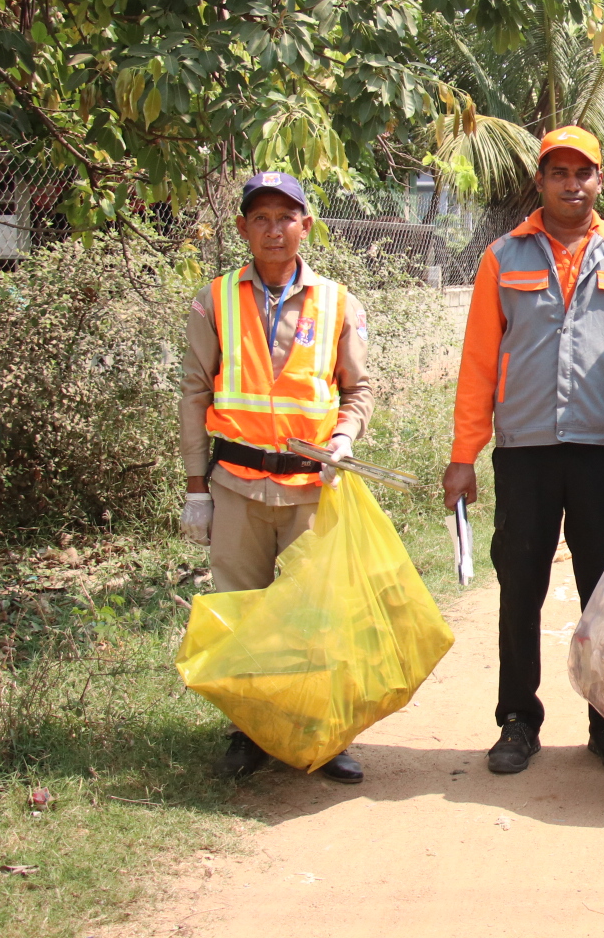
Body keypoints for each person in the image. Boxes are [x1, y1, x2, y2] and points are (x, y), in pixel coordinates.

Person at [442, 126, 604, 777]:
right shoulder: (502, 257)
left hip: (599, 451)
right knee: (520, 588)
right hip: (525, 452)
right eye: (558, 173)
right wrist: (463, 453)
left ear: (600, 180)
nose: (571, 184)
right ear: (540, 181)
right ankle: (517, 720)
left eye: (582, 172)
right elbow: (479, 362)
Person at [180, 171, 373, 783]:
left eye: (285, 217)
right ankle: (250, 733)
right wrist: (195, 490)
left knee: (315, 614)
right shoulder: (213, 300)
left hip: (310, 490)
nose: (273, 229)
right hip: (235, 488)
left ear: (305, 226)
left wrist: (344, 438)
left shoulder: (338, 303)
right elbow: (193, 394)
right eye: (260, 218)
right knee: (244, 614)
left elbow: (358, 390)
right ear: (242, 227)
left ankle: (323, 733)